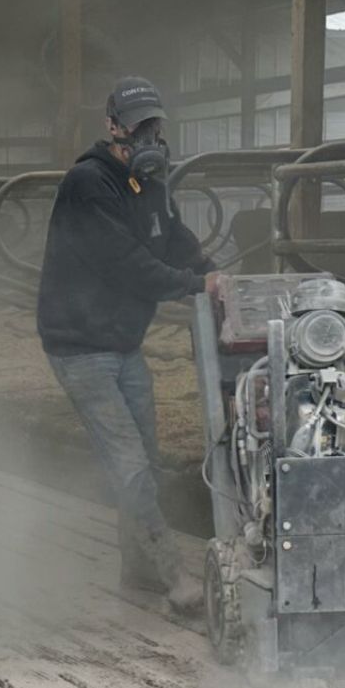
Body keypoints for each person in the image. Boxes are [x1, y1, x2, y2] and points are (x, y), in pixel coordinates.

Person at [36, 76, 210, 618]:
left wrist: (213, 271)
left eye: (155, 127)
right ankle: (175, 575)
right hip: (81, 346)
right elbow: (127, 264)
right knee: (129, 464)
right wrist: (194, 286)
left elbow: (173, 236)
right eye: (139, 128)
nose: (149, 137)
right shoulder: (88, 185)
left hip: (124, 342)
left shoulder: (149, 183)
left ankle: (136, 569)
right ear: (113, 126)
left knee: (147, 463)